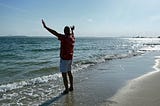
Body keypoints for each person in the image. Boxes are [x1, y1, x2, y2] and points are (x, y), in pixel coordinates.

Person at [42, 19, 75, 94]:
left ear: (64, 32)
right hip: (70, 58)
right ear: (69, 32)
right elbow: (72, 34)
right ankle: (71, 87)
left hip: (64, 59)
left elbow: (54, 33)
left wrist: (45, 27)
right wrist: (72, 30)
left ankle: (66, 90)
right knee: (69, 72)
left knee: (64, 75)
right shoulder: (72, 38)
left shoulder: (64, 38)